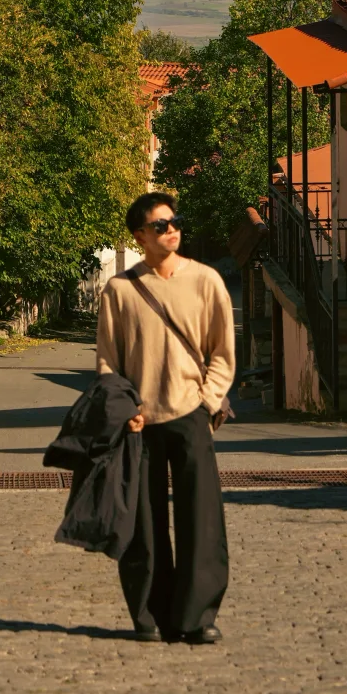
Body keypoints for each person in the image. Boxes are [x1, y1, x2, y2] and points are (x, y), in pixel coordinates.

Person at [96, 191, 235, 644]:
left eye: (174, 221)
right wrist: (123, 411)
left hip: (190, 412)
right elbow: (107, 363)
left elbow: (222, 353)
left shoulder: (206, 281)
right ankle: (150, 616)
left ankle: (196, 618)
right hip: (139, 421)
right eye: (160, 224)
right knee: (143, 522)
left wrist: (208, 399)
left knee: (202, 518)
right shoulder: (119, 291)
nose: (171, 228)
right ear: (139, 235)